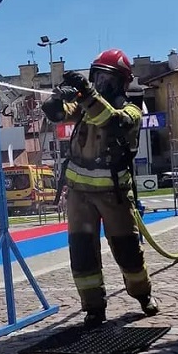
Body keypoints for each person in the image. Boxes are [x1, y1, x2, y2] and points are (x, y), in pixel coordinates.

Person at [42, 48, 157, 327]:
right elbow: (56, 114)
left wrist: (87, 94)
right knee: (82, 254)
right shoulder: (85, 106)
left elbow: (111, 122)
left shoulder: (129, 110)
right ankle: (93, 308)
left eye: (109, 80)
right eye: (99, 77)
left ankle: (142, 295)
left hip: (114, 194)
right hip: (79, 195)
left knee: (128, 251)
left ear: (122, 84)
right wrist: (59, 96)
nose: (103, 84)